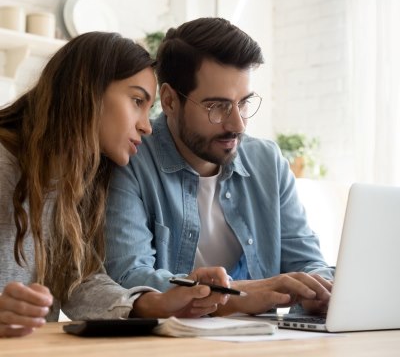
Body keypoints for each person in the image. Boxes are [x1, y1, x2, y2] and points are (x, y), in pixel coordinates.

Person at [0, 31, 230, 338]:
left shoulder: (76, 181)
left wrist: (154, 303)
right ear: (86, 90)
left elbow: (78, 278)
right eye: (137, 101)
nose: (146, 126)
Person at [104, 18, 335, 317]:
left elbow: (307, 260)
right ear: (171, 101)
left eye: (244, 103)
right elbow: (128, 277)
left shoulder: (268, 162)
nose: (237, 124)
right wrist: (238, 296)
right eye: (218, 106)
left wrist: (319, 290)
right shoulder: (129, 160)